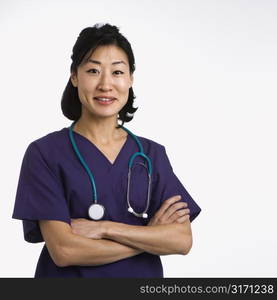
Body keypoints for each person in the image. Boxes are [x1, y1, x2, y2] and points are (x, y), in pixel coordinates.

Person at [12, 23, 201, 278]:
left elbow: (181, 240)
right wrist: (148, 237)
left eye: (117, 72)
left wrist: (105, 229)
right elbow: (65, 250)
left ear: (131, 79)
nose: (106, 84)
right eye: (93, 70)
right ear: (75, 76)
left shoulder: (151, 155)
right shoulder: (45, 154)